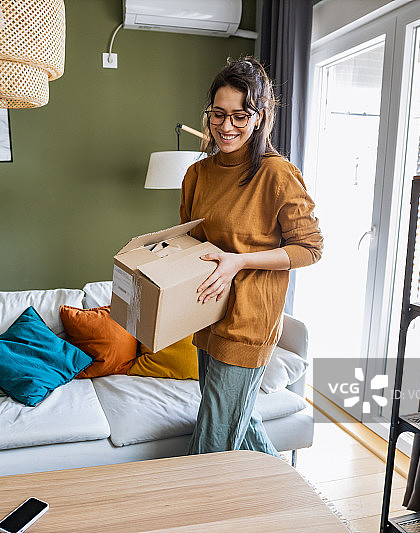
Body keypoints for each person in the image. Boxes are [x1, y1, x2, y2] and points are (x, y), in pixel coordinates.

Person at [181, 57, 323, 456]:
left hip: (249, 321)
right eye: (218, 114)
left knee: (213, 441)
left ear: (259, 118)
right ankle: (288, 499)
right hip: (207, 313)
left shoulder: (276, 174)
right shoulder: (197, 174)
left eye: (240, 116)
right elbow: (191, 242)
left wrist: (239, 261)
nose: (226, 127)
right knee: (238, 423)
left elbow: (310, 249)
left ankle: (200, 514)